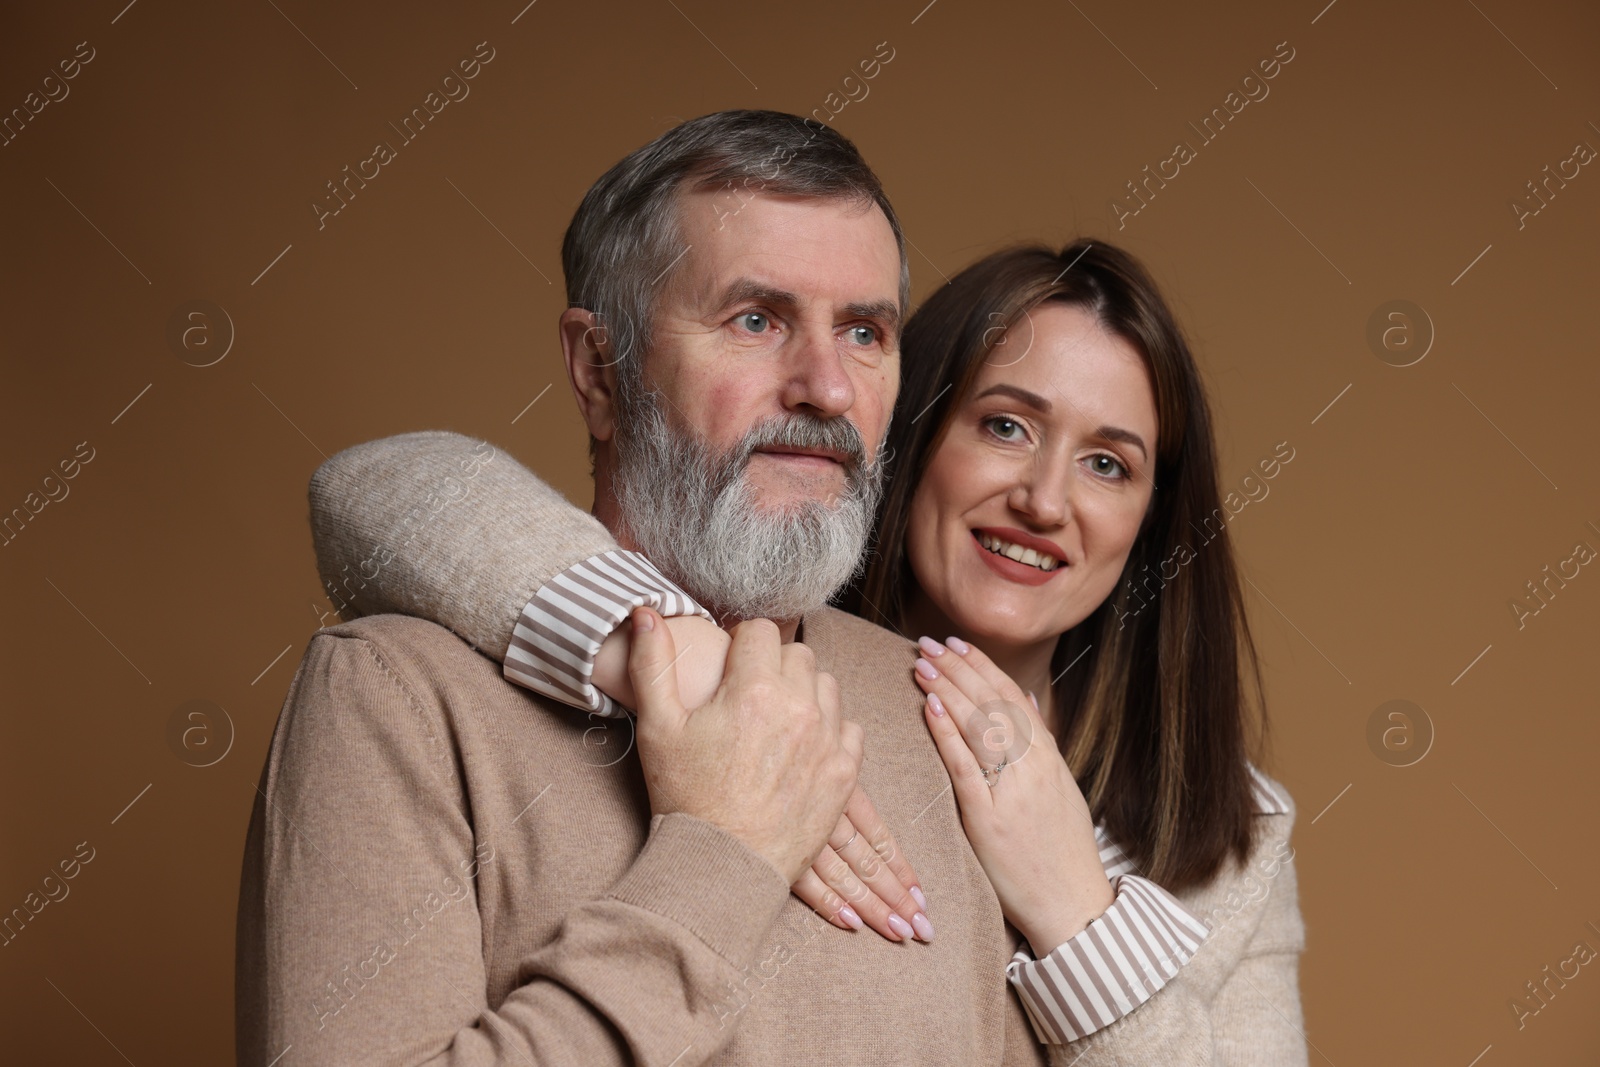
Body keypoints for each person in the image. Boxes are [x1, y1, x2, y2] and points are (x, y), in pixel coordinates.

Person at [304, 234, 1310, 1061]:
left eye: (1106, 462)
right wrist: (666, 647)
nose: (1045, 500)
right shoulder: (756, 663)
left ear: (1149, 516)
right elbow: (382, 486)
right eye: (1004, 426)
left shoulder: (1234, 834)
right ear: (902, 437)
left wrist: (1078, 915)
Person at [237, 108, 1050, 1067]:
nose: (826, 388)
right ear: (599, 370)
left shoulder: (943, 713)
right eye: (757, 320)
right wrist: (720, 858)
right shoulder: (396, 699)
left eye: (865, 332)